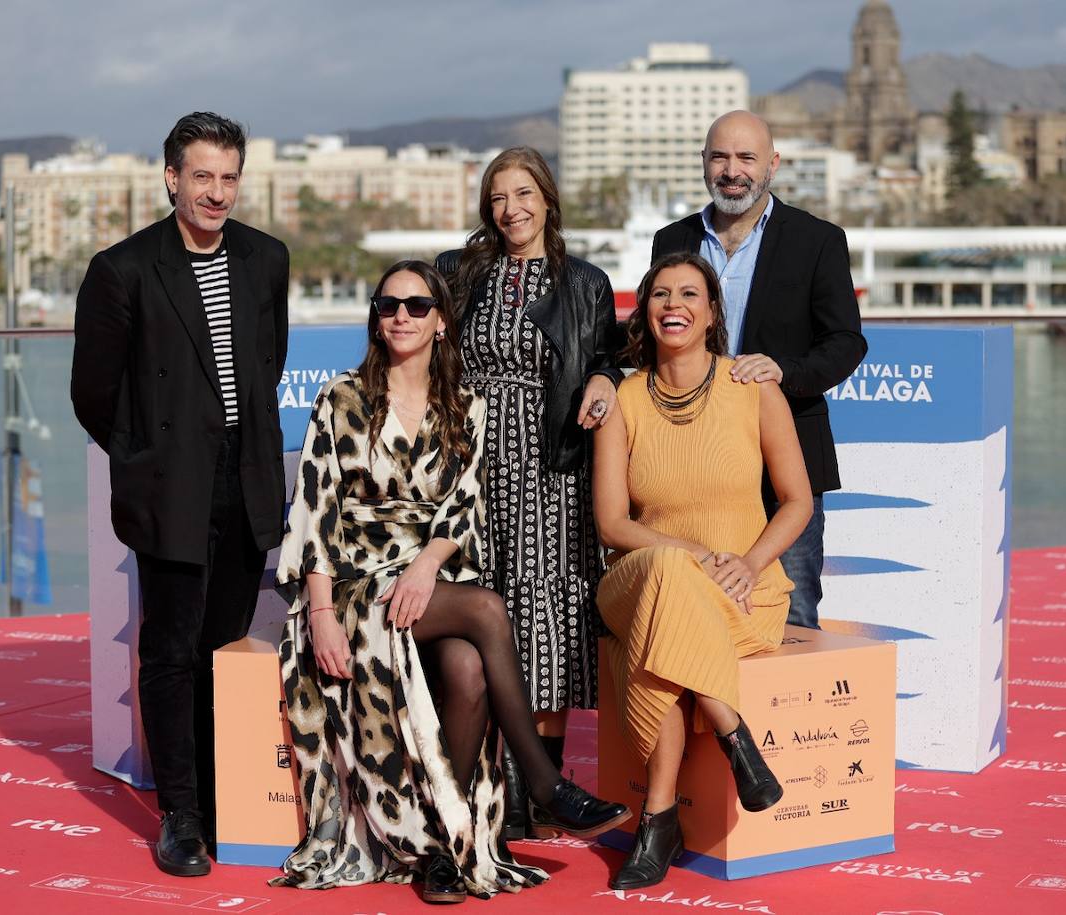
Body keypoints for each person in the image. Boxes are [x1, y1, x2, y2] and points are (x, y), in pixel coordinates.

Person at [272, 261, 630, 903]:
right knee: (490, 610)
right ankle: (545, 782)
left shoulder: (466, 404)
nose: (401, 317)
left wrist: (425, 564)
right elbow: (315, 512)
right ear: (377, 321)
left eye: (416, 306)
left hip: (425, 579)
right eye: (388, 306)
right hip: (352, 589)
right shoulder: (342, 397)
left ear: (441, 323)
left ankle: (441, 849)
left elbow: (464, 507)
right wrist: (321, 613)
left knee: (467, 669)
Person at [71, 112, 289, 877]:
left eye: (229, 177)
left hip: (247, 475)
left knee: (219, 648)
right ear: (172, 178)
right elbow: (93, 394)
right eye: (202, 176)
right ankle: (182, 816)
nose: (217, 192)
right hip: (171, 481)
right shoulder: (123, 268)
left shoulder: (267, 259)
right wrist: (146, 463)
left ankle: (223, 796)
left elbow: (267, 366)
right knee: (169, 652)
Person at [593, 252, 813, 890]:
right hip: (635, 579)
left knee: (664, 638)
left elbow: (796, 500)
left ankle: (657, 820)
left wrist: (748, 562)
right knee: (665, 573)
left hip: (742, 591)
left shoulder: (754, 390)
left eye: (689, 293)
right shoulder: (625, 397)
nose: (672, 306)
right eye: (659, 294)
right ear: (646, 311)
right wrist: (691, 554)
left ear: (713, 311)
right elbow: (612, 525)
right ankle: (732, 729)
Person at [434, 147, 623, 838]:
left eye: (522, 194)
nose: (509, 209)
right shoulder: (459, 271)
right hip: (471, 469)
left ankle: (540, 796)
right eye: (496, 198)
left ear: (547, 198)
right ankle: (495, 790)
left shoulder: (586, 282)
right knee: (487, 622)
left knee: (548, 627)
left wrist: (608, 378)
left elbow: (606, 355)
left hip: (552, 472)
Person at [651, 110, 867, 630]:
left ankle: (787, 714)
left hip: (785, 459)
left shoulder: (817, 241)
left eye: (746, 157)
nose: (733, 170)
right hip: (688, 459)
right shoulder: (671, 240)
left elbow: (845, 342)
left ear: (772, 165)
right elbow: (655, 334)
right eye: (720, 157)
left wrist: (783, 371)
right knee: (690, 613)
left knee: (789, 612)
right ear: (703, 163)